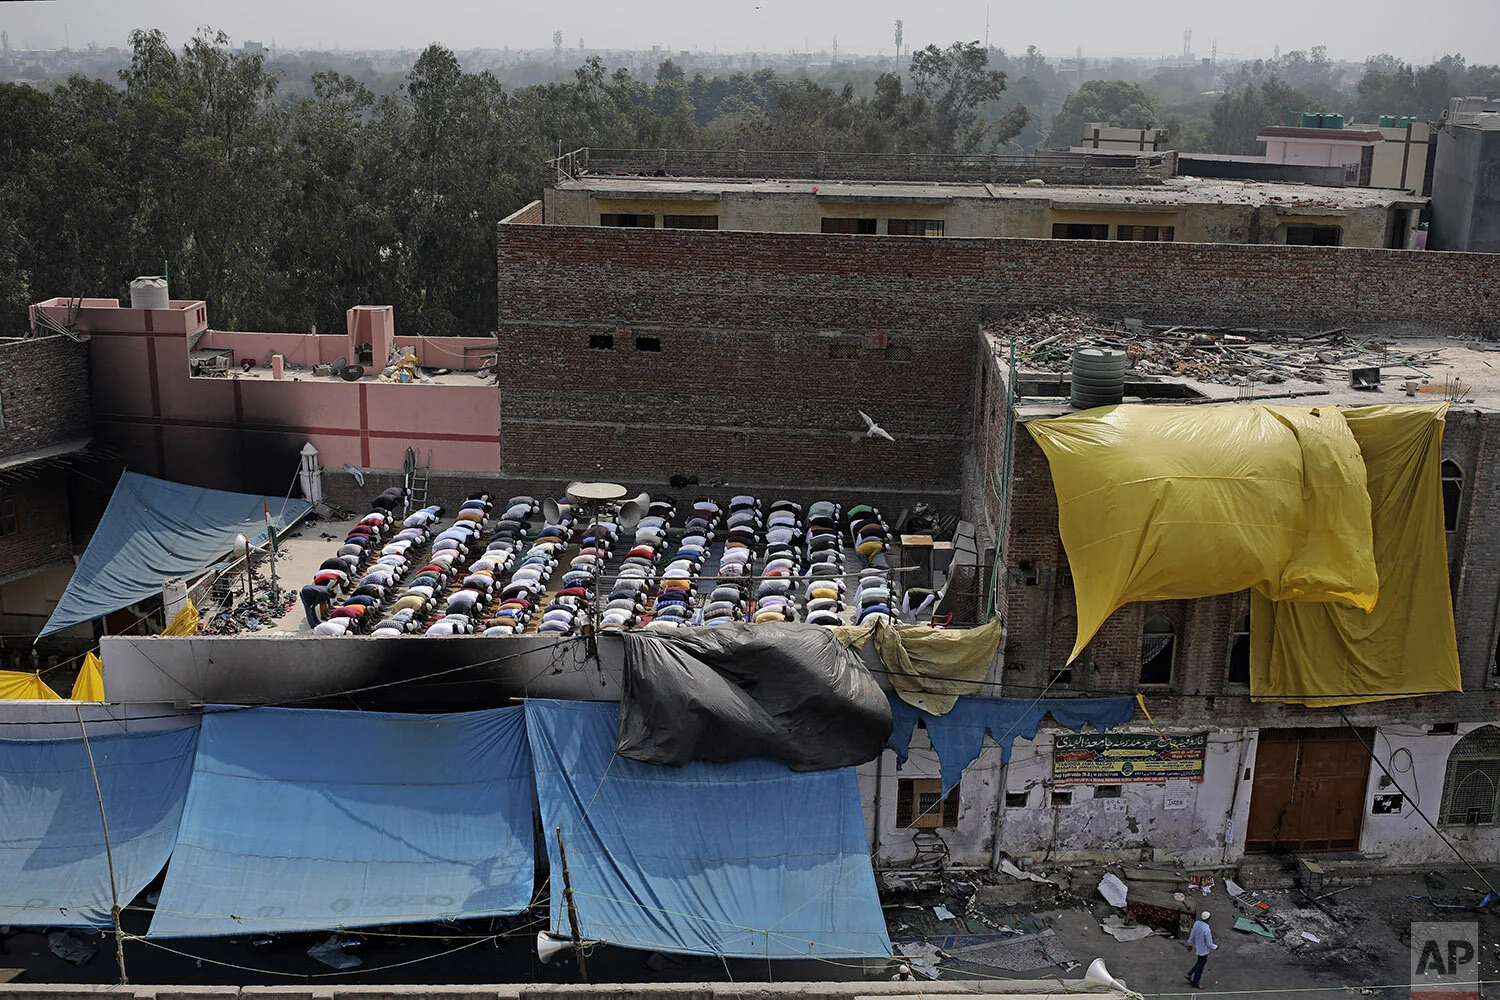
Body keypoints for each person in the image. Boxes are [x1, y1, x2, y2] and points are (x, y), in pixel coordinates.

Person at [1186, 910, 1216, 988]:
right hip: (1203, 950)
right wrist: (1215, 947)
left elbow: (1192, 934)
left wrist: (1190, 943)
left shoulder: (1197, 924)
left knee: (1199, 963)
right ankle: (1196, 982)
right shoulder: (1206, 930)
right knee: (1200, 966)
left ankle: (1189, 974)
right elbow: (1209, 943)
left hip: (1198, 947)